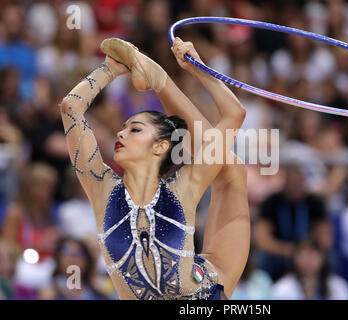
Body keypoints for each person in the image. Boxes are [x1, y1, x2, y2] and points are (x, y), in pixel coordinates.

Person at [59, 37, 249, 300]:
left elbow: (235, 114)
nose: (120, 133)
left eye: (134, 129)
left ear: (160, 147)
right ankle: (159, 81)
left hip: (204, 294)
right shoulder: (100, 186)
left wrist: (197, 68)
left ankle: (160, 80)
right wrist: (109, 69)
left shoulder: (183, 187)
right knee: (231, 169)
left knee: (231, 170)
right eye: (124, 127)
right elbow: (71, 107)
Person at [272, 236, 348, 300]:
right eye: (304, 255)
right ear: (295, 259)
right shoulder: (283, 287)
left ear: (322, 258)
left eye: (313, 255)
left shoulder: (338, 285)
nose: (309, 260)